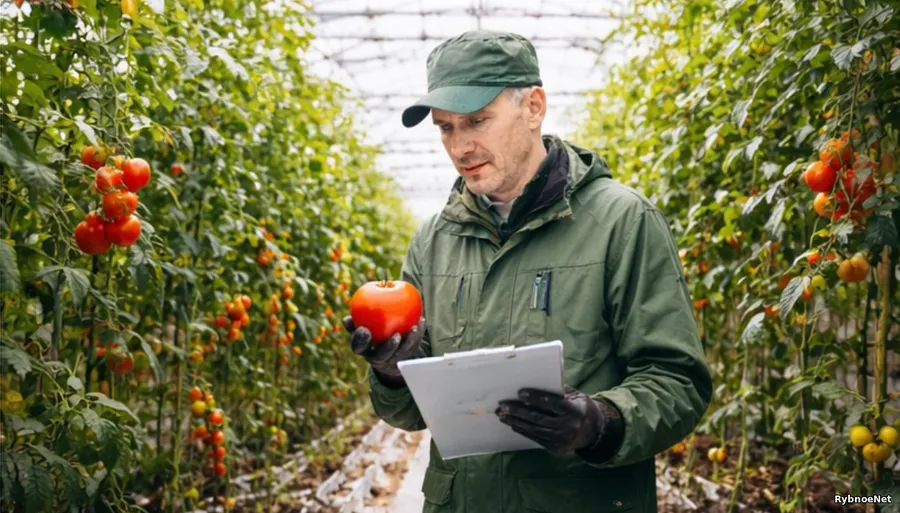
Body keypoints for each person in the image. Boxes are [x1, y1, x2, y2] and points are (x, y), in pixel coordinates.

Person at [342, 29, 713, 513]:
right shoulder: (434, 241)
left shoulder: (621, 222)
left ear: (534, 107)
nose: (460, 146)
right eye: (446, 127)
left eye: (477, 120)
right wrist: (393, 374)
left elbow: (677, 380)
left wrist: (599, 422)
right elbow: (414, 415)